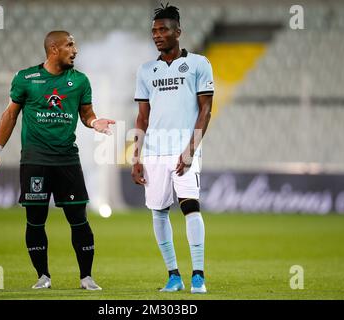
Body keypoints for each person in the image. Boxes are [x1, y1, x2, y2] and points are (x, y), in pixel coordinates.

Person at [0, 30, 114, 290]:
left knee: (79, 219)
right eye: (69, 45)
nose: (75, 50)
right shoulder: (26, 78)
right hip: (35, 161)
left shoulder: (80, 81)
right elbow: (9, 116)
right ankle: (43, 276)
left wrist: (94, 122)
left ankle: (86, 277)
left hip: (67, 160)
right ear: (54, 49)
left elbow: (87, 114)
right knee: (35, 219)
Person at [132, 4, 214, 294]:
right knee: (159, 212)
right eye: (154, 30)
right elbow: (142, 117)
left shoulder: (199, 64)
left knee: (190, 205)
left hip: (184, 150)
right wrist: (136, 156)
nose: (157, 35)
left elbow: (206, 110)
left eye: (163, 29)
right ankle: (173, 276)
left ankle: (198, 276)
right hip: (154, 151)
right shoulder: (146, 71)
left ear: (178, 32)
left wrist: (190, 150)